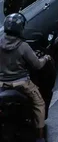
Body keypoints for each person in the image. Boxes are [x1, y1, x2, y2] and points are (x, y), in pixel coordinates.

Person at [0, 13, 51, 141]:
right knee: (39, 104)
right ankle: (40, 136)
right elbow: (37, 65)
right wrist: (45, 58)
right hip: (22, 83)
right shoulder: (23, 46)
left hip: (1, 83)